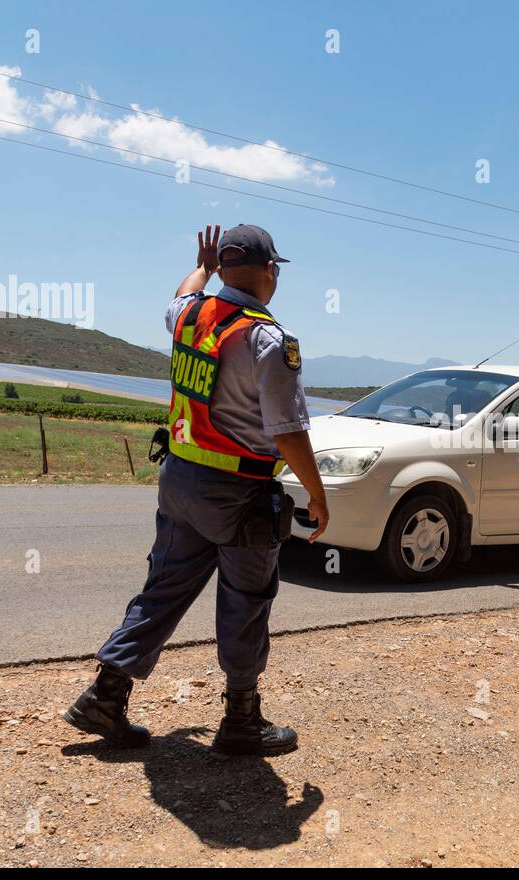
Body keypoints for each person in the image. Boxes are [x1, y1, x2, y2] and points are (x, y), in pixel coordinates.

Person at [64, 224, 329, 755]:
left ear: (223, 269)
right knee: (247, 598)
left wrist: (203, 265)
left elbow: (183, 291)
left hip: (180, 478)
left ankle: (105, 695)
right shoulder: (267, 340)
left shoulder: (192, 315)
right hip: (238, 490)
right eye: (275, 267)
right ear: (268, 271)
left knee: (164, 587)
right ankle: (241, 721)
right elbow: (288, 429)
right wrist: (316, 493)